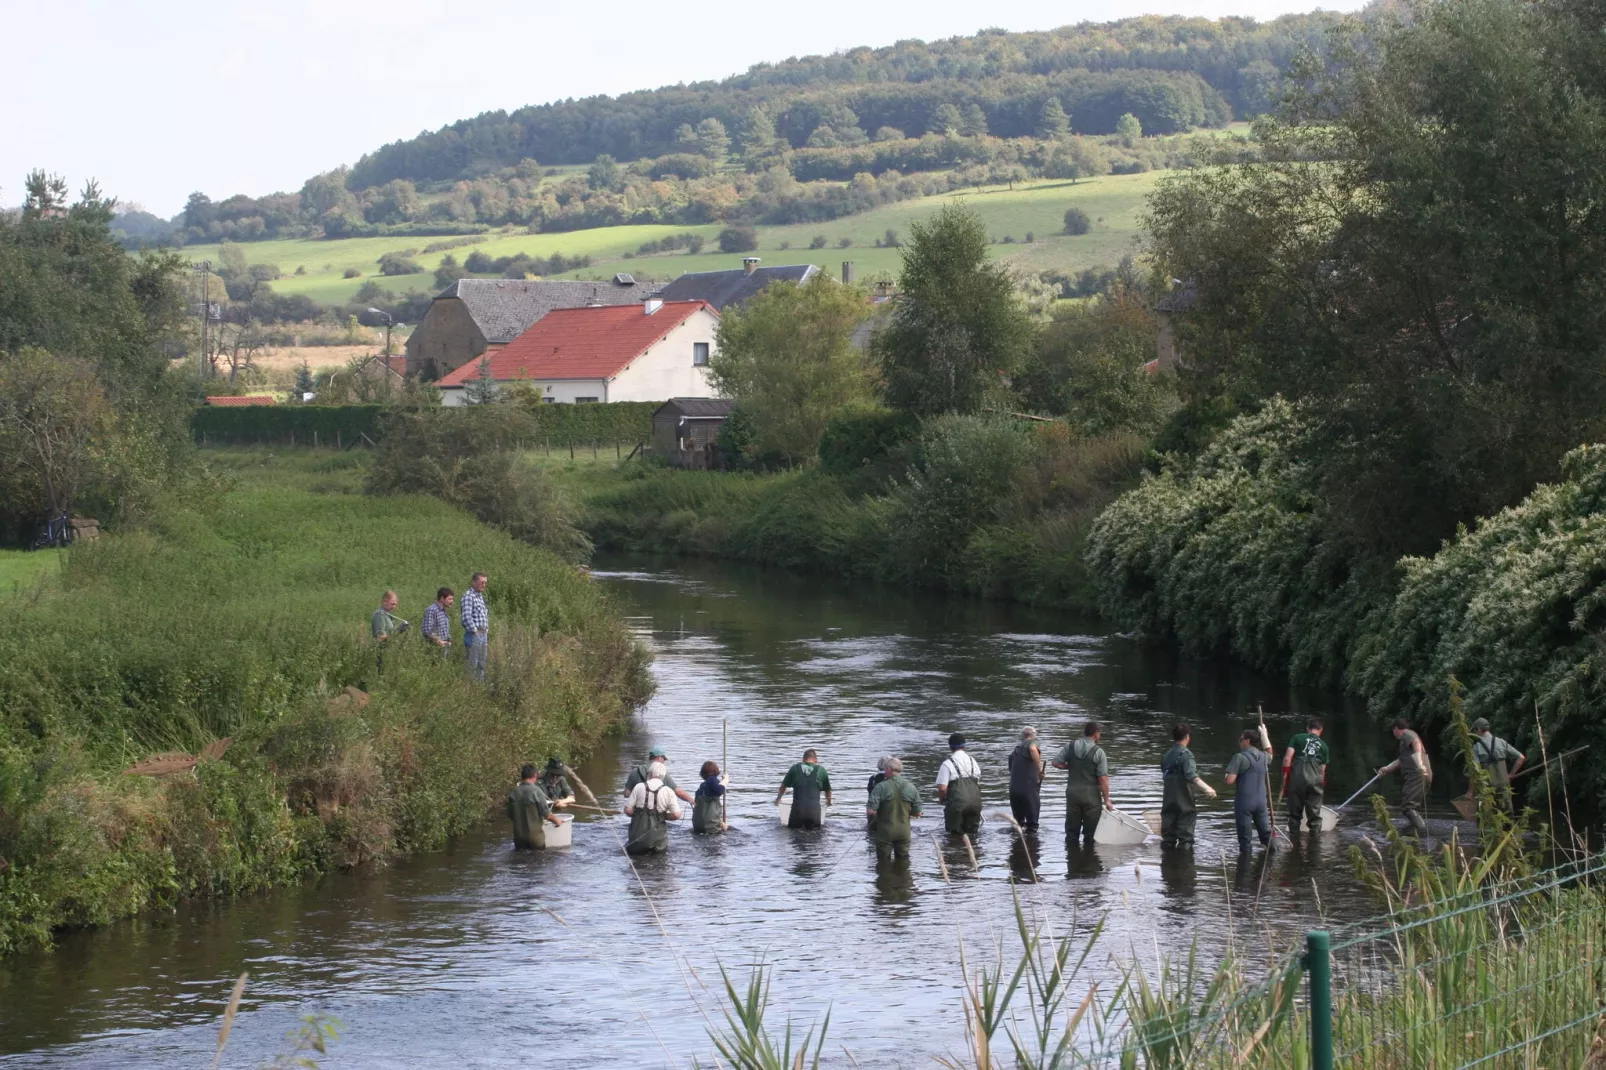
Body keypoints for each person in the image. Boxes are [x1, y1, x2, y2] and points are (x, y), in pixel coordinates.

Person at [1052, 721, 1112, 847]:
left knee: (1072, 834)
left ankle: (1072, 861)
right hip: (1091, 798)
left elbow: (1056, 763)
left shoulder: (1071, 745)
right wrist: (1107, 800)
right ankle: (1089, 861)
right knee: (1091, 836)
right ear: (1096, 734)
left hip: (1072, 795)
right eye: (1099, 733)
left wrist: (1069, 766)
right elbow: (1103, 779)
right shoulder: (1099, 752)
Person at [1160, 723, 1217, 848]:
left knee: (1168, 839)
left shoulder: (1166, 756)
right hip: (1184, 805)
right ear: (1187, 737)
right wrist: (1208, 789)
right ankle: (1184, 866)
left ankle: (1166, 865)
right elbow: (1192, 776)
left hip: (1168, 802)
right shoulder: (1187, 755)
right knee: (1185, 839)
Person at [1225, 728, 1276, 854]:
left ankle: (1244, 867)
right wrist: (1265, 735)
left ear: (1247, 741)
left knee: (1245, 839)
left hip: (1244, 803)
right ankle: (1273, 859)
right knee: (1266, 835)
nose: (1239, 742)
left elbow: (1229, 780)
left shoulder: (1239, 757)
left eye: (1241, 739)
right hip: (1261, 803)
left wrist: (1226, 776)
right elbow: (1270, 752)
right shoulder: (1264, 757)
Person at [1378, 717, 1431, 836]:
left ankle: (1422, 831)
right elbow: (1401, 761)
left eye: (1393, 730)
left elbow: (1416, 742)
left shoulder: (1407, 734)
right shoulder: (1405, 744)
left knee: (1408, 807)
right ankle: (1412, 833)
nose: (1394, 733)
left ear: (1396, 728)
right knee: (1413, 808)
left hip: (1417, 775)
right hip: (1420, 775)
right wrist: (1386, 768)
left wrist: (1419, 761)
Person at [867, 757, 923, 862]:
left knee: (883, 862)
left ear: (888, 769)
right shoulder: (911, 787)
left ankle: (885, 876)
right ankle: (904, 876)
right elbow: (918, 812)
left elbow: (871, 811)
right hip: (904, 832)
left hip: (885, 833)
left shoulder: (880, 787)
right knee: (903, 861)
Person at [1281, 717, 1330, 832]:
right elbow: (1322, 771)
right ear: (1321, 730)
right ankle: (1315, 844)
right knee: (1315, 816)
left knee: (1294, 815)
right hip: (1315, 782)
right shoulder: (1324, 746)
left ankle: (1294, 842)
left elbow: (1287, 759)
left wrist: (1285, 777)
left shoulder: (1297, 738)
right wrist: (1320, 785)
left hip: (1297, 780)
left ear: (1308, 728)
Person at [624, 760, 681, 854]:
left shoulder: (638, 787)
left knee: (635, 858)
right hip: (658, 841)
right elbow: (676, 815)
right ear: (663, 776)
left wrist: (638, 815)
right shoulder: (668, 791)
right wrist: (663, 816)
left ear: (649, 774)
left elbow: (627, 811)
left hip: (637, 838)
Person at [1471, 718, 1526, 814]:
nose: (1475, 733)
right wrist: (1511, 774)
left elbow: (1475, 771)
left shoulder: (1476, 747)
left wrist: (1470, 791)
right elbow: (1521, 757)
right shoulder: (1501, 742)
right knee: (1507, 815)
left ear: (1479, 729)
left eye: (1475, 730)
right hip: (1504, 785)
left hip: (1488, 787)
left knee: (1488, 816)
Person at [506, 763, 563, 849]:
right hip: (535, 840)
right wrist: (558, 821)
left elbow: (509, 815)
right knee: (537, 861)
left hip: (519, 839)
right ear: (535, 776)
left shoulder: (513, 793)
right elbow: (547, 814)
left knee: (520, 861)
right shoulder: (536, 791)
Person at [936, 733, 983, 836]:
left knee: (954, 835)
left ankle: (957, 851)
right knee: (973, 835)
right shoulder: (972, 761)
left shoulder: (947, 763)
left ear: (950, 746)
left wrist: (941, 799)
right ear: (964, 746)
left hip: (957, 805)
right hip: (976, 803)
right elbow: (978, 782)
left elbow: (942, 788)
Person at [775, 749, 833, 829]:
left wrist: (778, 799)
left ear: (803, 759)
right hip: (814, 814)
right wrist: (829, 802)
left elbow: (783, 787)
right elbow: (828, 791)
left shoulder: (794, 768)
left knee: (794, 836)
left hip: (797, 812)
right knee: (815, 837)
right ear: (816, 760)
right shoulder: (821, 771)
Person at [1007, 727, 1045, 832]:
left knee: (1018, 825)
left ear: (1023, 736)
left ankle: (1017, 846)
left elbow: (1011, 770)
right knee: (1032, 827)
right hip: (1028, 790)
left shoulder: (1015, 750)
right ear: (1033, 735)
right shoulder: (1031, 742)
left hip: (1013, 790)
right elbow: (1033, 749)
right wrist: (1040, 770)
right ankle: (1032, 846)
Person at [625, 746, 694, 804]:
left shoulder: (635, 772)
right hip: (656, 815)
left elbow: (626, 794)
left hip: (637, 815)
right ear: (659, 757)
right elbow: (678, 792)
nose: (663, 762)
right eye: (664, 759)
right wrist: (692, 801)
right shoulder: (660, 774)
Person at [460, 572, 490, 681]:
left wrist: (485, 633)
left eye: (485, 583)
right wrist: (475, 631)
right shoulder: (468, 596)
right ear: (473, 582)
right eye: (481, 582)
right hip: (474, 634)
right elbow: (466, 617)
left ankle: (479, 689)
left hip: (483, 634)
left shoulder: (480, 597)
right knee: (472, 664)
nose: (484, 585)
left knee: (482, 664)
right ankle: (470, 689)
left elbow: (484, 616)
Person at [371, 590, 406, 671]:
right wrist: (397, 632)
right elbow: (380, 637)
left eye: (395, 604)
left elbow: (390, 633)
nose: (394, 606)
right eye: (392, 604)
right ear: (384, 601)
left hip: (389, 652)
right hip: (381, 653)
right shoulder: (380, 615)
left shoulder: (387, 615)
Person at [692, 760, 728, 833]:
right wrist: (725, 780)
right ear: (715, 771)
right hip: (710, 827)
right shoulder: (712, 779)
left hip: (697, 825)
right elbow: (719, 791)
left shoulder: (701, 786)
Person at [422, 587, 454, 656]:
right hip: (434, 648)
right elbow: (427, 630)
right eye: (450, 599)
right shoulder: (432, 610)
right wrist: (438, 641)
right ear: (442, 599)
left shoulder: (443, 611)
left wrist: (449, 640)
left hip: (444, 647)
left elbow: (444, 629)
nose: (452, 602)